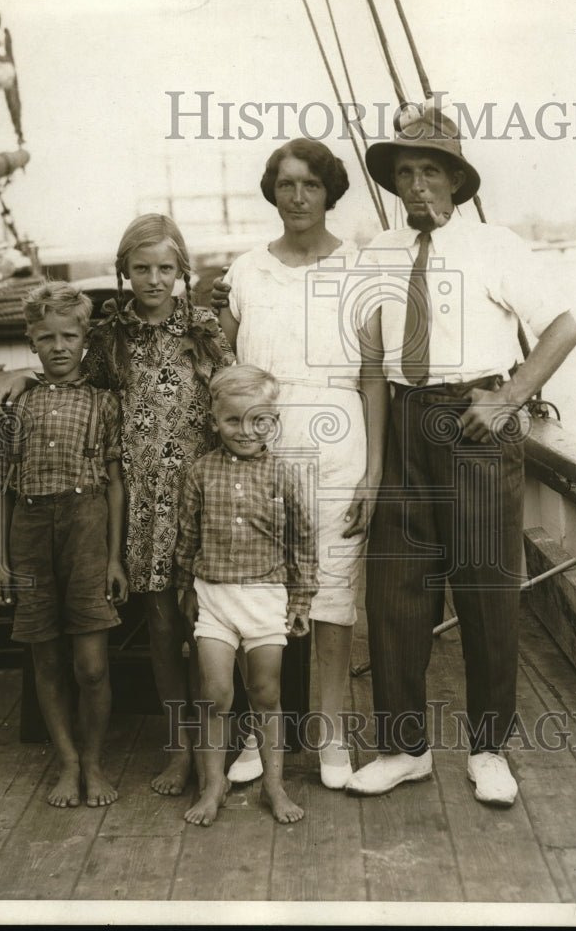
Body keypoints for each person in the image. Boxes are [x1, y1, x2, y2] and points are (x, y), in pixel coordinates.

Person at [344, 107, 576, 805]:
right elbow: (370, 365)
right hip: (402, 424)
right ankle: (404, 747)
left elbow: (562, 330)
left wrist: (507, 398)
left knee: (484, 592)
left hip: (474, 426)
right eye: (403, 173)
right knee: (395, 597)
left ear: (455, 181)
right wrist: (374, 466)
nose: (415, 186)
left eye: (430, 171)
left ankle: (487, 748)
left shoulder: (495, 245)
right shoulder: (377, 252)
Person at [2, 214, 233, 797]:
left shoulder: (205, 329)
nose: (153, 279)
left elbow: (230, 398)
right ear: (123, 271)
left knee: (206, 629)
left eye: (164, 268)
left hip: (197, 499)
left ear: (183, 270)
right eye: (140, 268)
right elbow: (74, 386)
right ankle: (180, 750)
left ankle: (218, 752)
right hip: (139, 506)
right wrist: (22, 382)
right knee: (160, 634)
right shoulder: (108, 337)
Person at [213, 139, 388, 790]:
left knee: (334, 603)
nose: (296, 197)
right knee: (257, 598)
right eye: (284, 184)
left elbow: (373, 378)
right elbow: (223, 372)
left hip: (342, 453)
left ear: (328, 191)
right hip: (260, 456)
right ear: (272, 191)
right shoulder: (245, 271)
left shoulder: (360, 269)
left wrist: (372, 474)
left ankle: (334, 739)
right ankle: (263, 739)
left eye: (309, 184)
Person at [0, 281, 128, 808]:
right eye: (46, 336)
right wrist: (0, 563)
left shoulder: (103, 402)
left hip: (88, 528)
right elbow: (2, 486)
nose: (59, 346)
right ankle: (68, 762)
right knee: (45, 659)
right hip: (28, 531)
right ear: (30, 341)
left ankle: (94, 760)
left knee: (90, 665)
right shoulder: (15, 403)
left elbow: (116, 485)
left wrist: (115, 557)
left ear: (85, 338)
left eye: (70, 335)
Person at [174, 365, 316, 825]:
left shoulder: (285, 475)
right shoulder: (199, 473)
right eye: (233, 420)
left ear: (273, 422)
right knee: (215, 695)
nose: (245, 430)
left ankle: (274, 785)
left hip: (265, 599)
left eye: (259, 420)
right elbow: (187, 536)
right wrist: (185, 588)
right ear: (214, 420)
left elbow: (302, 543)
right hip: (213, 597)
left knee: (266, 692)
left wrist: (300, 602)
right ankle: (213, 784)